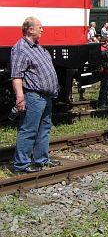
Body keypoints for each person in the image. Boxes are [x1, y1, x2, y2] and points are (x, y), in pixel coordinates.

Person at [11, 17, 61, 173]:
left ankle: (41, 160)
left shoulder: (37, 47)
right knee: (29, 129)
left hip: (45, 96)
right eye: (40, 27)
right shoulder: (21, 48)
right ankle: (21, 164)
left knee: (44, 128)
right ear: (30, 29)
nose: (43, 29)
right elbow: (16, 75)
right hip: (33, 96)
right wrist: (20, 96)